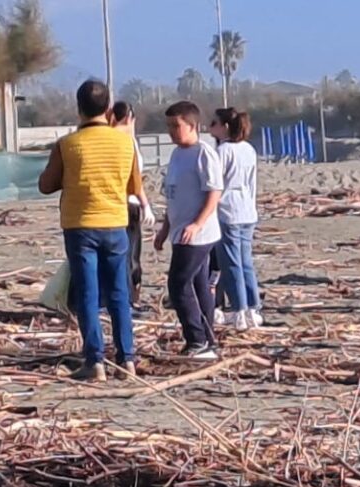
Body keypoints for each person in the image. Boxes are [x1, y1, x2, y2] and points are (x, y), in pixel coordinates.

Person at [38, 80, 142, 381]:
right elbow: (134, 186)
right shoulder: (125, 144)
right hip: (115, 223)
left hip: (80, 225)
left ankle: (94, 360)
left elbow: (46, 185)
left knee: (87, 293)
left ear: (79, 108)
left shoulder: (68, 145)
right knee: (120, 293)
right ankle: (127, 359)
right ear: (108, 109)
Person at [155, 101, 225, 361]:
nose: (173, 131)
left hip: (199, 234)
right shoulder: (176, 155)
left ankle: (196, 340)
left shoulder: (203, 153)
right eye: (169, 127)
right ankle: (208, 339)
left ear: (193, 126)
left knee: (178, 284)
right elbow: (173, 197)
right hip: (179, 230)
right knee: (198, 285)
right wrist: (165, 228)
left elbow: (214, 192)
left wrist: (197, 223)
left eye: (177, 126)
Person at [208, 108, 260, 331]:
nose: (211, 128)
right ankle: (253, 307)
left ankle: (239, 309)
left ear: (225, 126)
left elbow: (215, 184)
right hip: (247, 209)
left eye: (214, 123)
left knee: (232, 264)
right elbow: (252, 183)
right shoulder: (248, 149)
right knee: (245, 261)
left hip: (228, 211)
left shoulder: (223, 151)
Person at [109, 102, 156, 290]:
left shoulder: (104, 138)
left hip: (109, 203)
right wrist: (146, 205)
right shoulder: (127, 142)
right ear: (129, 118)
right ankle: (128, 296)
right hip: (128, 204)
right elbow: (134, 180)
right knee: (129, 254)